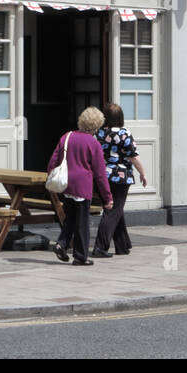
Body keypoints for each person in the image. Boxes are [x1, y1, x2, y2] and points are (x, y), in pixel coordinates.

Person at [48, 107, 114, 266]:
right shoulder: (94, 143)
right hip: (82, 187)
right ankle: (80, 256)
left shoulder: (67, 136)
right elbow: (100, 174)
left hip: (66, 185)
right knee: (82, 222)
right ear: (96, 126)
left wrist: (52, 176)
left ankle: (61, 244)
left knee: (70, 218)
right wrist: (108, 198)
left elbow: (52, 162)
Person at [92, 103, 147, 258]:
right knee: (112, 210)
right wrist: (143, 173)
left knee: (116, 209)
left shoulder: (98, 133)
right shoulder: (124, 133)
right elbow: (133, 156)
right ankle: (100, 247)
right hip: (120, 177)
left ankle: (122, 245)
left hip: (102, 176)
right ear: (120, 117)